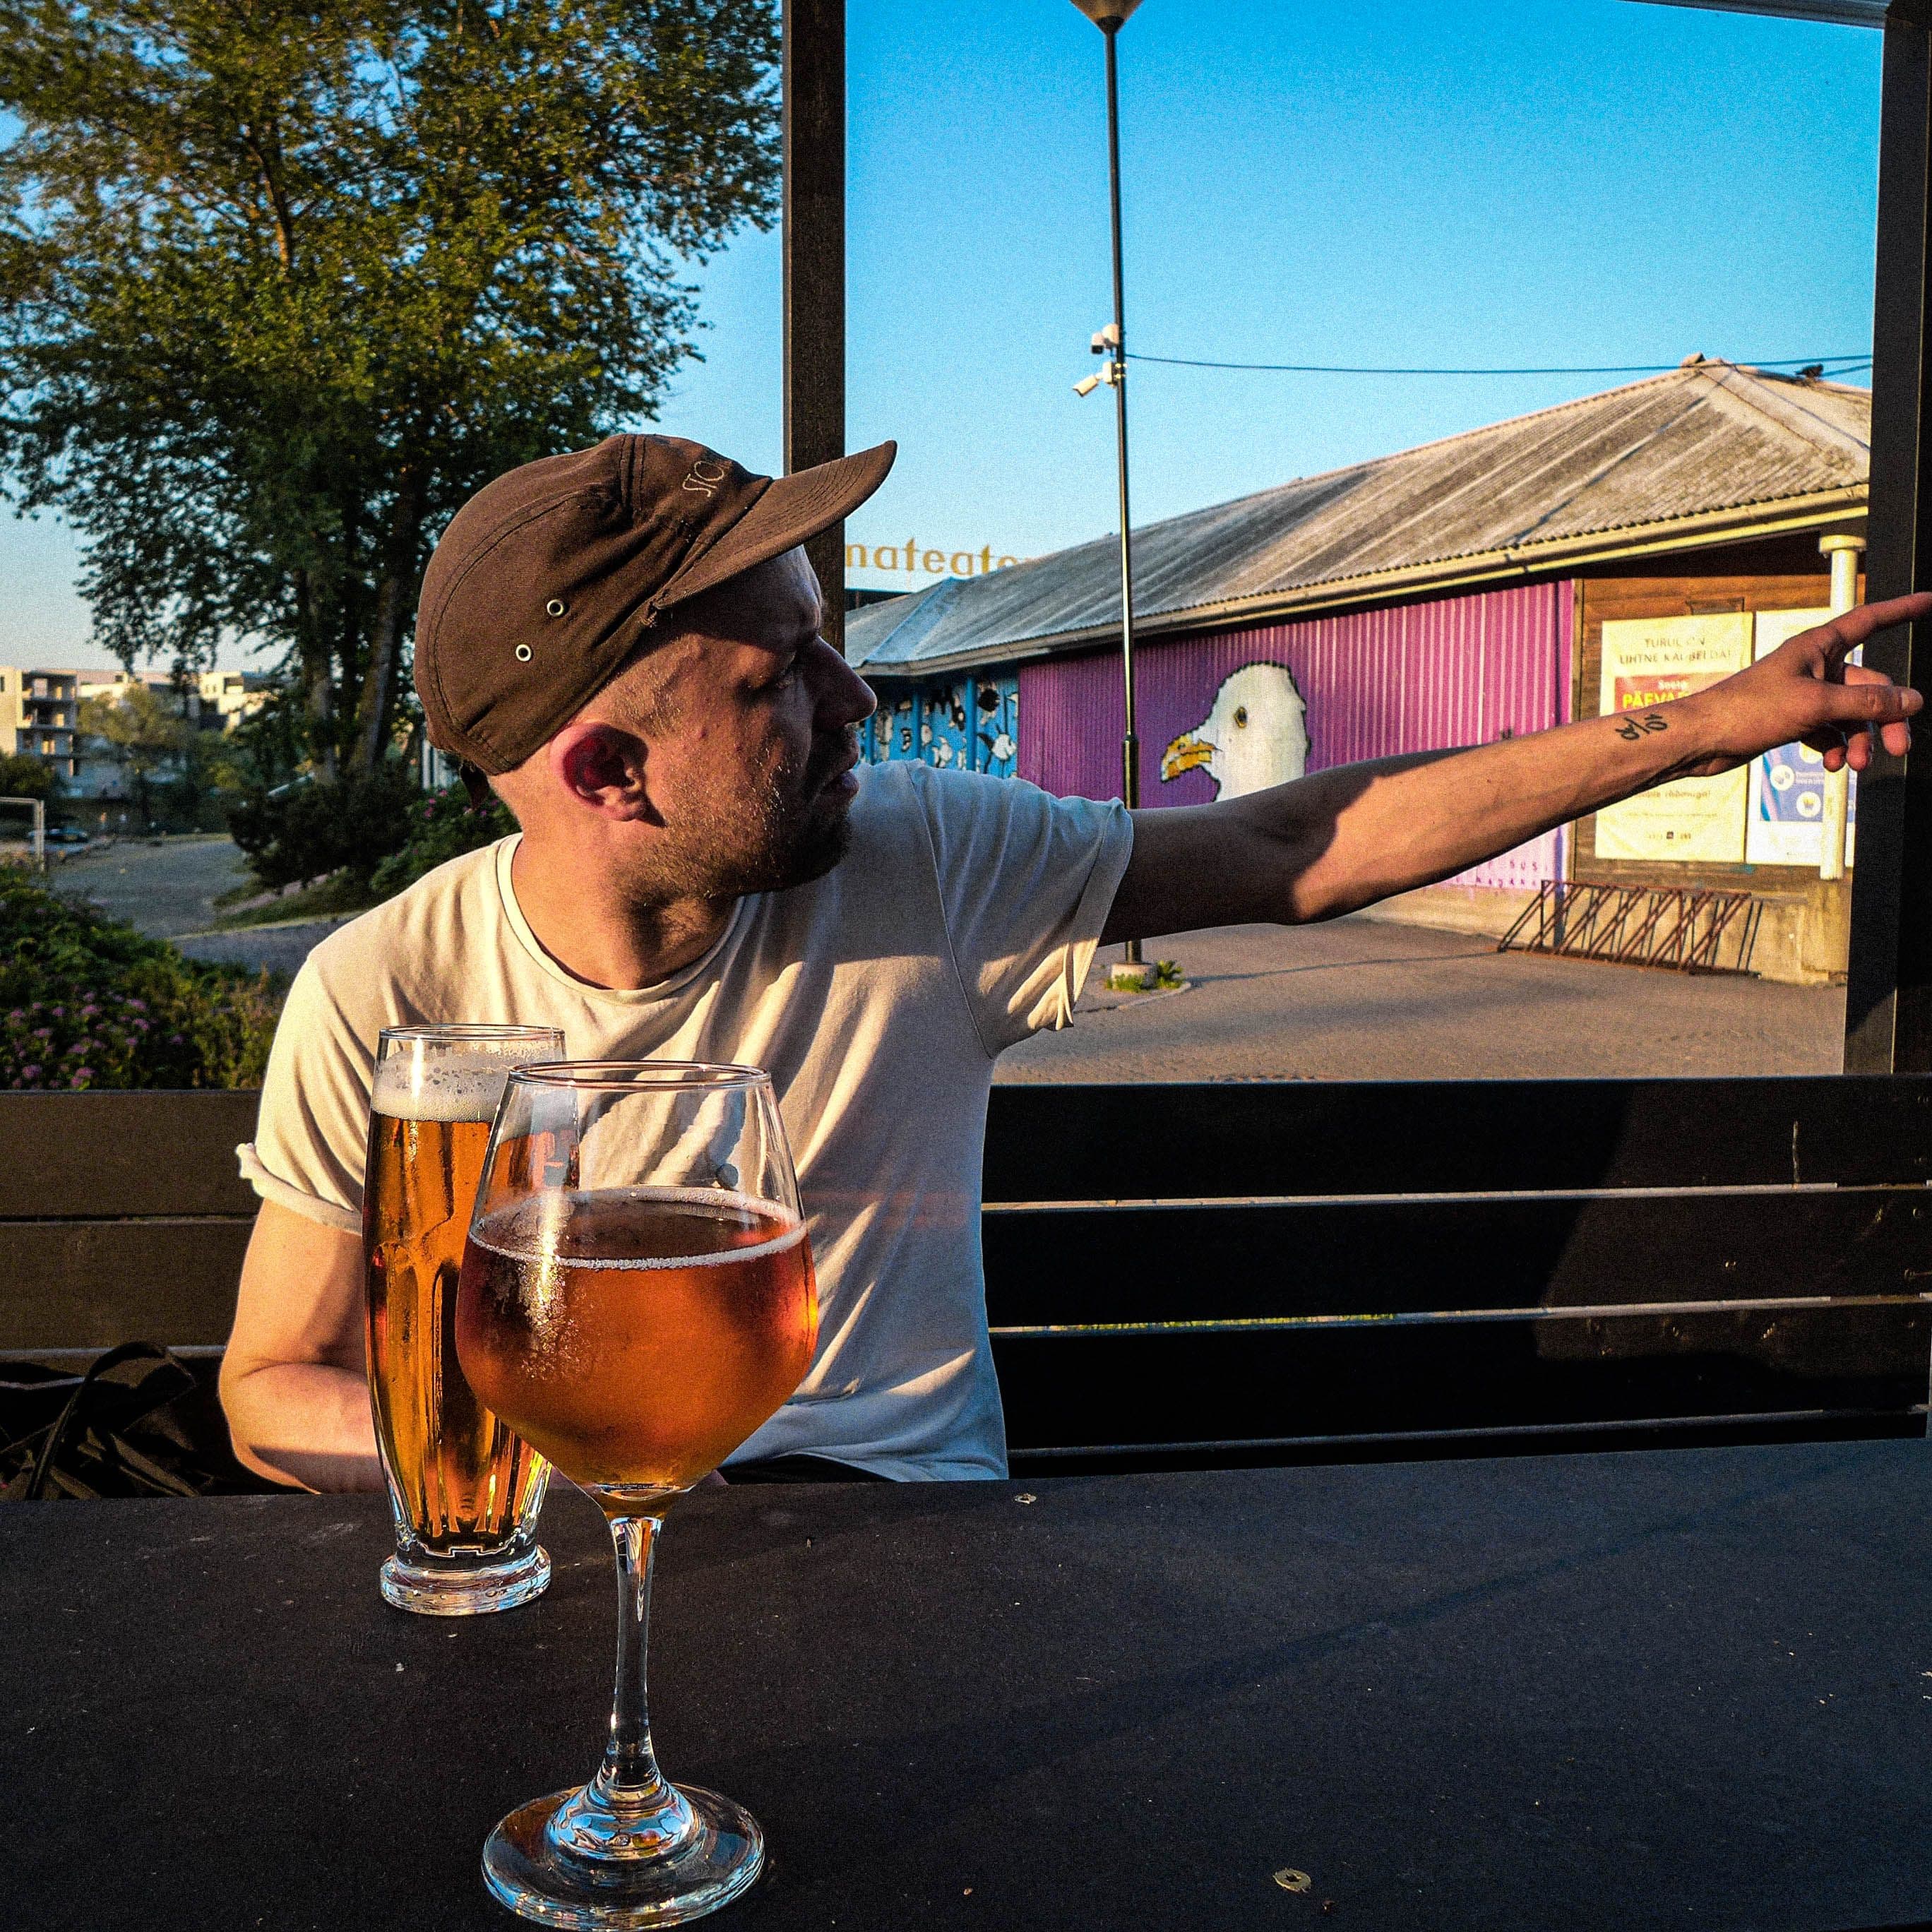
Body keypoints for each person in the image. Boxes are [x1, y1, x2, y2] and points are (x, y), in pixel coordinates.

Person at [220, 431, 1928, 1490]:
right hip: (569, 1548)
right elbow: (273, 1388)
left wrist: (1701, 727)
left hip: (906, 1541)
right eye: (783, 678)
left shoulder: (923, 852)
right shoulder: (386, 996)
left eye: (832, 644)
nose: (858, 700)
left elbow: (1291, 843)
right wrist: (548, 1480)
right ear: (610, 774)